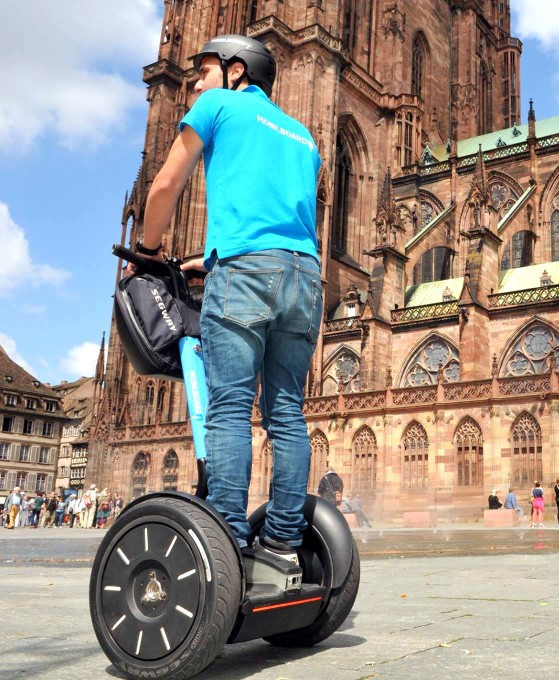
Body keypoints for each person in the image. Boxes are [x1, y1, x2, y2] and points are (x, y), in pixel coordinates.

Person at [133, 35, 322, 567]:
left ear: (236, 71)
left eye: (205, 70)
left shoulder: (217, 105)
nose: (195, 83)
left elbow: (166, 185)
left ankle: (231, 540)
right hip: (304, 277)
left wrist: (149, 251)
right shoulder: (305, 137)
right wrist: (211, 260)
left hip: (244, 273)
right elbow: (282, 217)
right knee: (286, 411)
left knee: (231, 406)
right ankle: (283, 543)